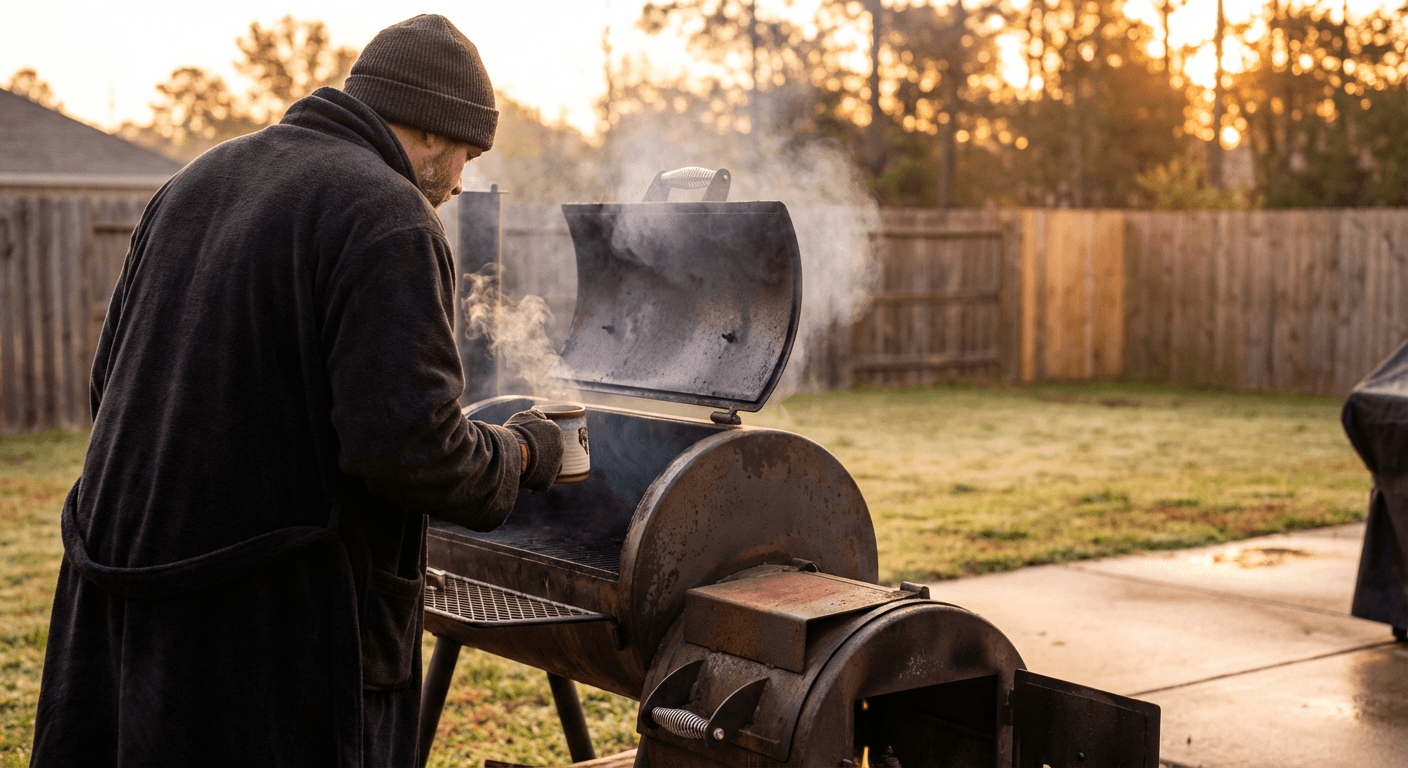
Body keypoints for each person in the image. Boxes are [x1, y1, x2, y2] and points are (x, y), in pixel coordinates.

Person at [30, 15, 563, 767]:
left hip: (117, 590)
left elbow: (109, 385)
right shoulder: (387, 213)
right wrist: (520, 453)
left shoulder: (196, 180)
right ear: (431, 129)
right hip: (260, 636)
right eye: (467, 156)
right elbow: (414, 452)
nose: (459, 185)